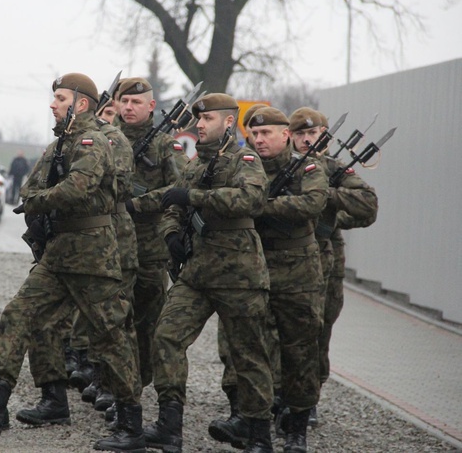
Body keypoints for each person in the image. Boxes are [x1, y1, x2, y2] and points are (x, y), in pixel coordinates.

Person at [0, 73, 145, 452]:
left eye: (60, 98)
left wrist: (40, 200)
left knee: (111, 335)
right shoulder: (59, 145)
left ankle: (131, 425)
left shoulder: (93, 141)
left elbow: (77, 188)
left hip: (92, 252)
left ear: (80, 104)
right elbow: (29, 188)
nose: (52, 104)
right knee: (19, 313)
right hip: (59, 251)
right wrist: (40, 198)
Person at [144, 93, 274, 453]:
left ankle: (258, 433)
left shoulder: (244, 159)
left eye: (207, 120)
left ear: (228, 122)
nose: (199, 125)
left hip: (240, 273)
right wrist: (171, 233)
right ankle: (169, 426)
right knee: (167, 336)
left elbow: (251, 200)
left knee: (248, 353)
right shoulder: (195, 163)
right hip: (198, 273)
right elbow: (173, 201)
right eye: (198, 120)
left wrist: (195, 199)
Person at [216, 106, 326, 453]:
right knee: (250, 350)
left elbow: (311, 203)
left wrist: (258, 204)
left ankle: (296, 429)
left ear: (286, 135)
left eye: (267, 133)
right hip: (252, 267)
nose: (259, 139)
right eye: (255, 133)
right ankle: (253, 424)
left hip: (298, 270)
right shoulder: (243, 167)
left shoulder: (308, 167)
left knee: (300, 351)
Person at [288, 107, 378, 426]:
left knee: (319, 328)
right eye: (299, 134)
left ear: (324, 134)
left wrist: (328, 206)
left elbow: (367, 209)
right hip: (286, 257)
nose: (306, 139)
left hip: (325, 255)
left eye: (312, 133)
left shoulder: (337, 169)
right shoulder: (283, 168)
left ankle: (309, 398)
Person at [114, 77, 188, 390]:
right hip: (110, 240)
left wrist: (138, 203)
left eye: (136, 103)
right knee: (111, 314)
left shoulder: (164, 144)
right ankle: (109, 380)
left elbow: (182, 187)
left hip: (149, 245)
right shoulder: (106, 138)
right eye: (125, 102)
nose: (129, 108)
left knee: (145, 319)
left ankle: (139, 380)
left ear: (151, 106)